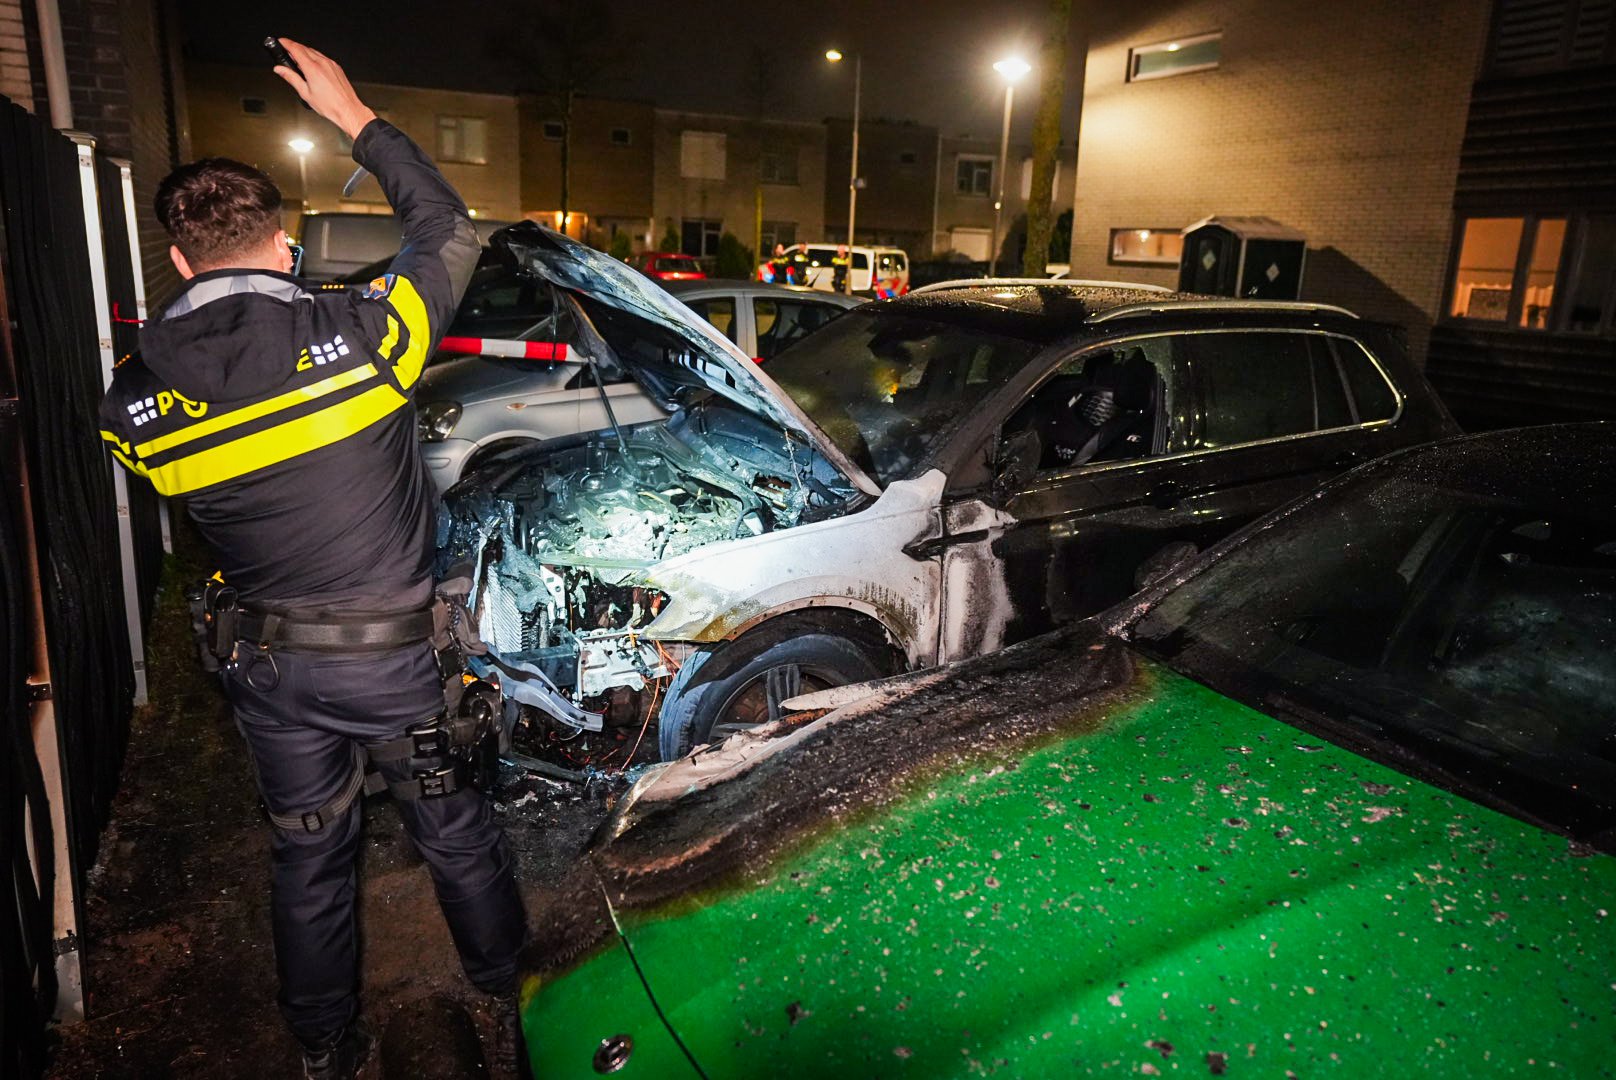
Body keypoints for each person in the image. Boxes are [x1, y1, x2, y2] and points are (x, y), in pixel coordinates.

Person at [97, 40, 525, 1079]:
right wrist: (357, 118)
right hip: (395, 669)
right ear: (285, 247)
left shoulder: (130, 405)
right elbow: (446, 227)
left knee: (306, 856)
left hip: (268, 678)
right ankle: (512, 1000)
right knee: (456, 838)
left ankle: (324, 1047)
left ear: (183, 263)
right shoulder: (374, 334)